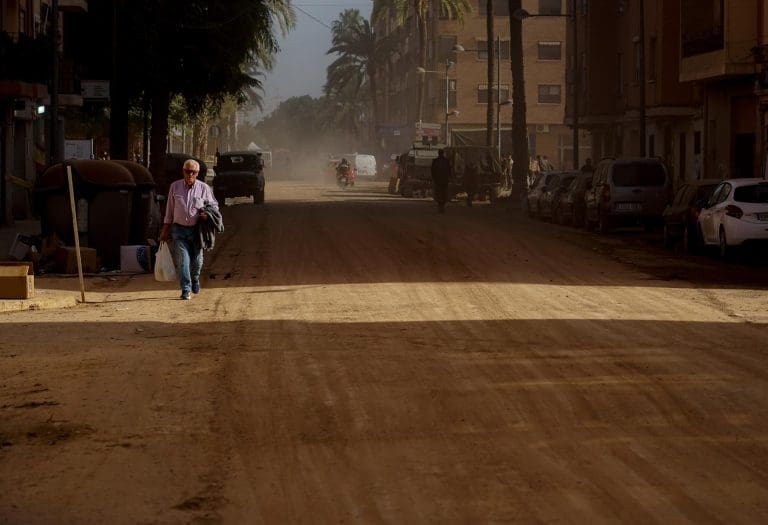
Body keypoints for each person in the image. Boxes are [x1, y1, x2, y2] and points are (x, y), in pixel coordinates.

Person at [159, 159, 219, 300]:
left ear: (197, 173)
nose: (190, 174)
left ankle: (195, 279)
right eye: (187, 171)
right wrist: (165, 231)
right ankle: (186, 289)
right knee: (183, 261)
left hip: (197, 231)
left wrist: (206, 214)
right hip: (179, 230)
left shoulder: (204, 188)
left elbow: (214, 206)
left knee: (197, 261)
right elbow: (169, 211)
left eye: (193, 172)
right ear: (183, 172)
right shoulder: (175, 187)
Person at [431, 149, 452, 213]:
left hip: (438, 180)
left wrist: (434, 178)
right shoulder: (446, 161)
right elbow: (449, 171)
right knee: (444, 192)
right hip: (444, 180)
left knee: (438, 193)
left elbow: (433, 171)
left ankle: (440, 205)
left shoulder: (435, 161)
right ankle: (442, 205)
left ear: (439, 153)